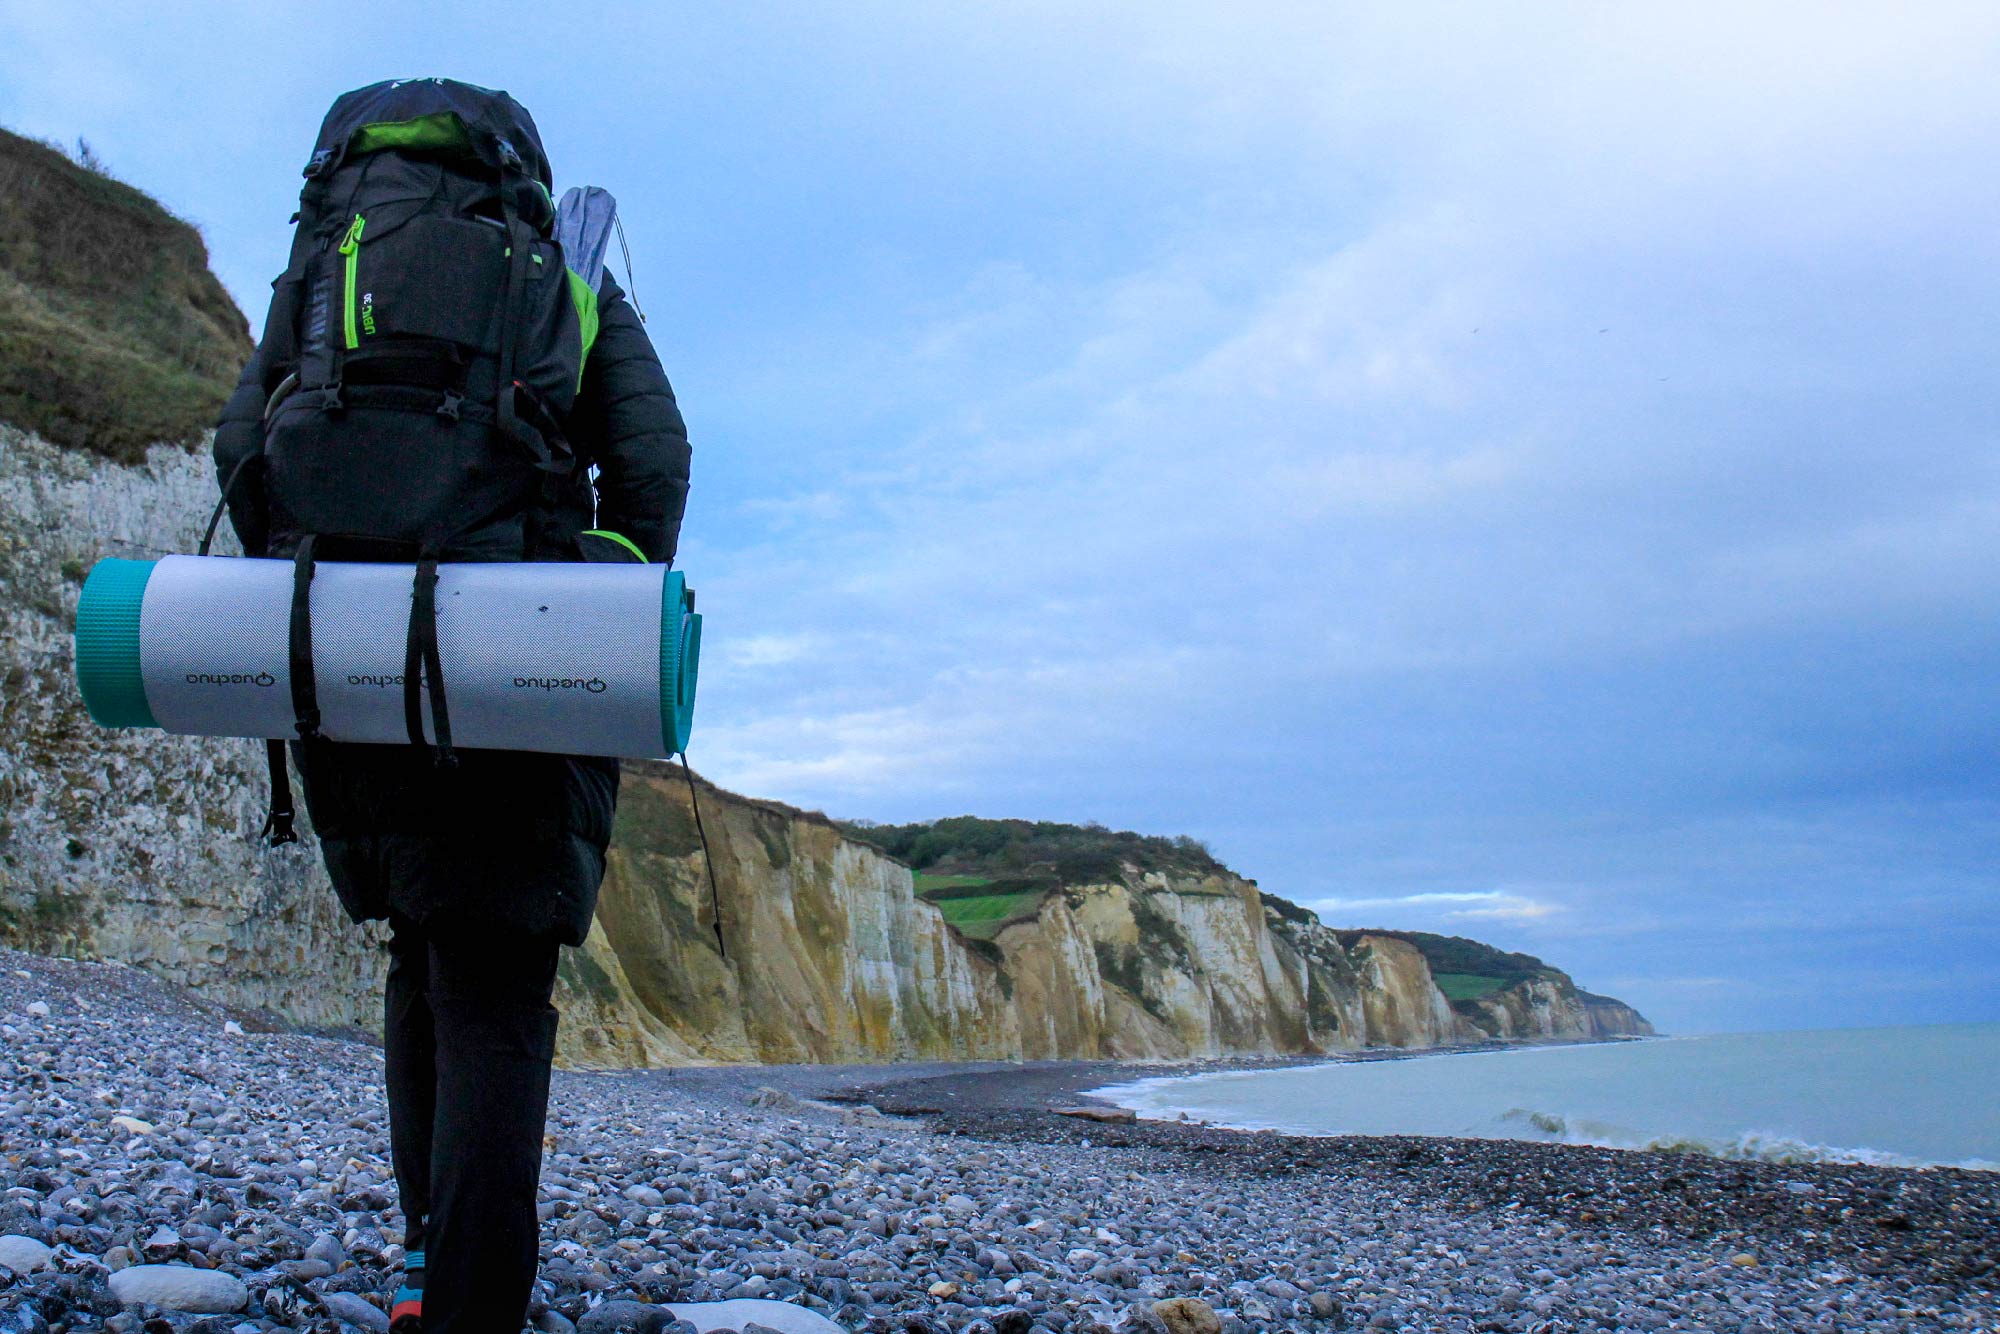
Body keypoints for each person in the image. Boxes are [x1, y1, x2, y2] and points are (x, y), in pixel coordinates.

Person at [211, 79, 691, 1333]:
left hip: (344, 654)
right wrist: (596, 595)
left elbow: (238, 445)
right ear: (515, 167)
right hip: (507, 659)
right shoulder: (554, 268)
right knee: (494, 978)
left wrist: (326, 586)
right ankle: (471, 1304)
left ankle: (428, 1262)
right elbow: (653, 453)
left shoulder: (322, 269)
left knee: (424, 938)